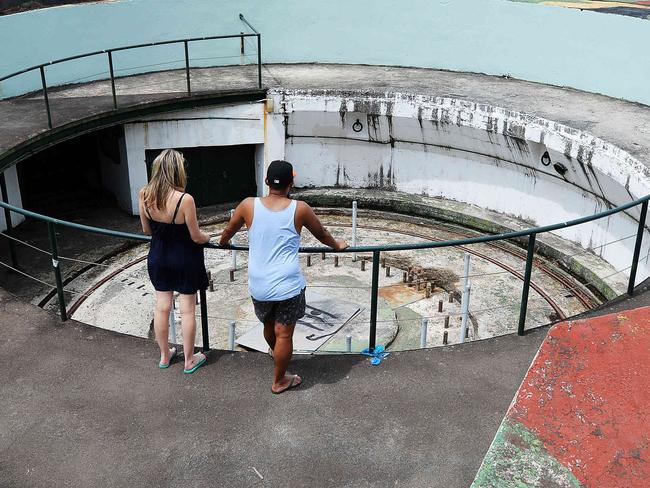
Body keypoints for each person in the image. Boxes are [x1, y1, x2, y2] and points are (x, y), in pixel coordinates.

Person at [220, 160, 348, 394]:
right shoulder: (300, 208)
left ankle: (275, 352)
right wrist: (337, 245)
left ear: (267, 181)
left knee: (269, 325)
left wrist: (222, 243)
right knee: (285, 333)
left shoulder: (248, 205)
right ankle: (279, 380)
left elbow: (229, 230)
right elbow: (322, 234)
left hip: (259, 283)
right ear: (292, 183)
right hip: (288, 284)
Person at [139, 149, 211, 374]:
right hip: (184, 258)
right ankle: (189, 360)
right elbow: (195, 236)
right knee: (187, 310)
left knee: (162, 307)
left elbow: (146, 229)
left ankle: (164, 355)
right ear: (177, 171)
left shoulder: (144, 195)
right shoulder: (185, 199)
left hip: (158, 256)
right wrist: (208, 237)